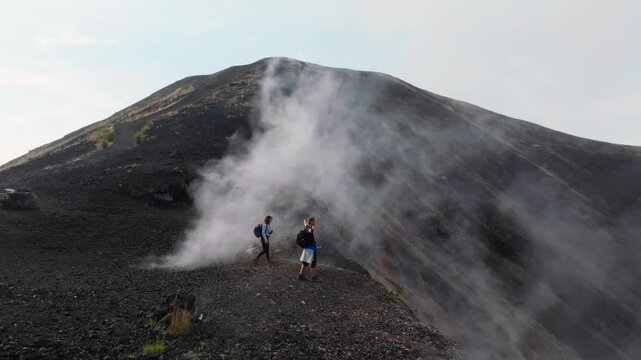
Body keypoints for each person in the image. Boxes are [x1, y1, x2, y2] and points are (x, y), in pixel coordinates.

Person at [298, 217, 318, 281]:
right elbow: (310, 231)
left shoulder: (306, 227)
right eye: (314, 221)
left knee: (305, 263)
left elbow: (306, 225)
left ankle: (300, 276)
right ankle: (314, 278)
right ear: (312, 222)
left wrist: (305, 223)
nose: (315, 222)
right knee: (313, 263)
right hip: (310, 250)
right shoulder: (308, 229)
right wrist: (313, 227)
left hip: (308, 249)